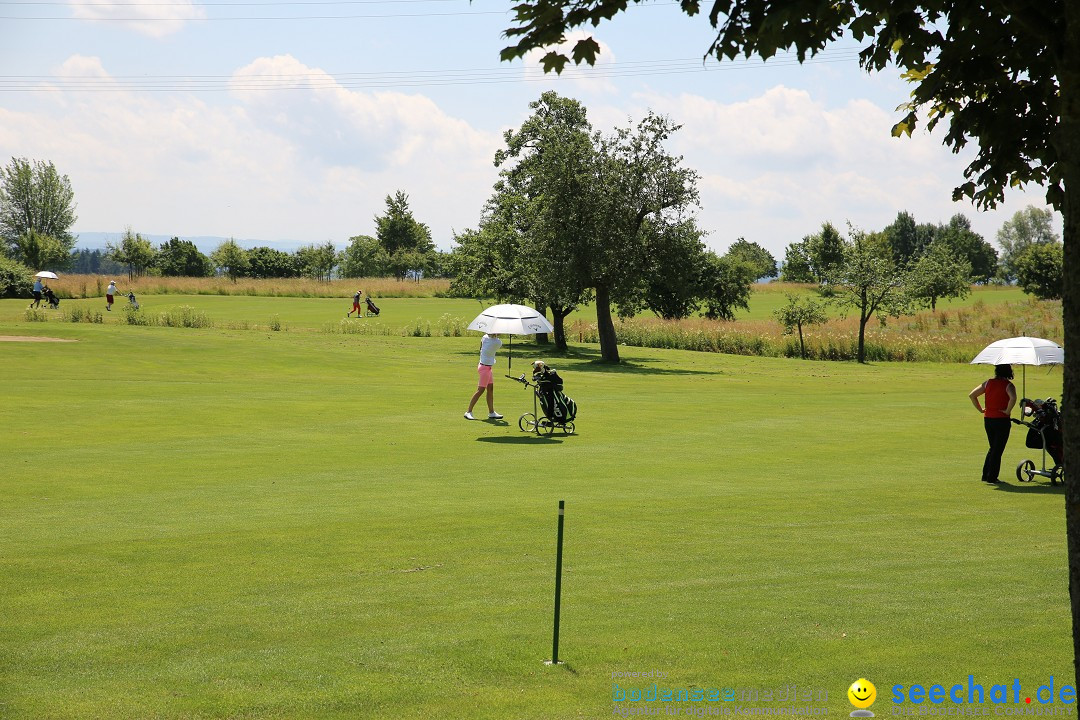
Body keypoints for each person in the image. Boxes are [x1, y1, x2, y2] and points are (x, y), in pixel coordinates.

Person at [968, 364, 1017, 484]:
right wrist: (1007, 411)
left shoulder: (987, 383)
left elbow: (972, 395)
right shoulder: (1008, 385)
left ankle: (986, 475)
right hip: (1002, 419)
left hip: (988, 419)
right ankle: (992, 477)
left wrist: (980, 409)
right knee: (997, 450)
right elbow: (1013, 398)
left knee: (993, 448)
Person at [465, 333, 504, 420]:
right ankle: (468, 412)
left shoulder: (485, 337)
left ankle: (491, 412)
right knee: (480, 390)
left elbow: (482, 345)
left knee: (490, 389)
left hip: (485, 366)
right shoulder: (497, 342)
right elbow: (496, 342)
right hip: (485, 368)